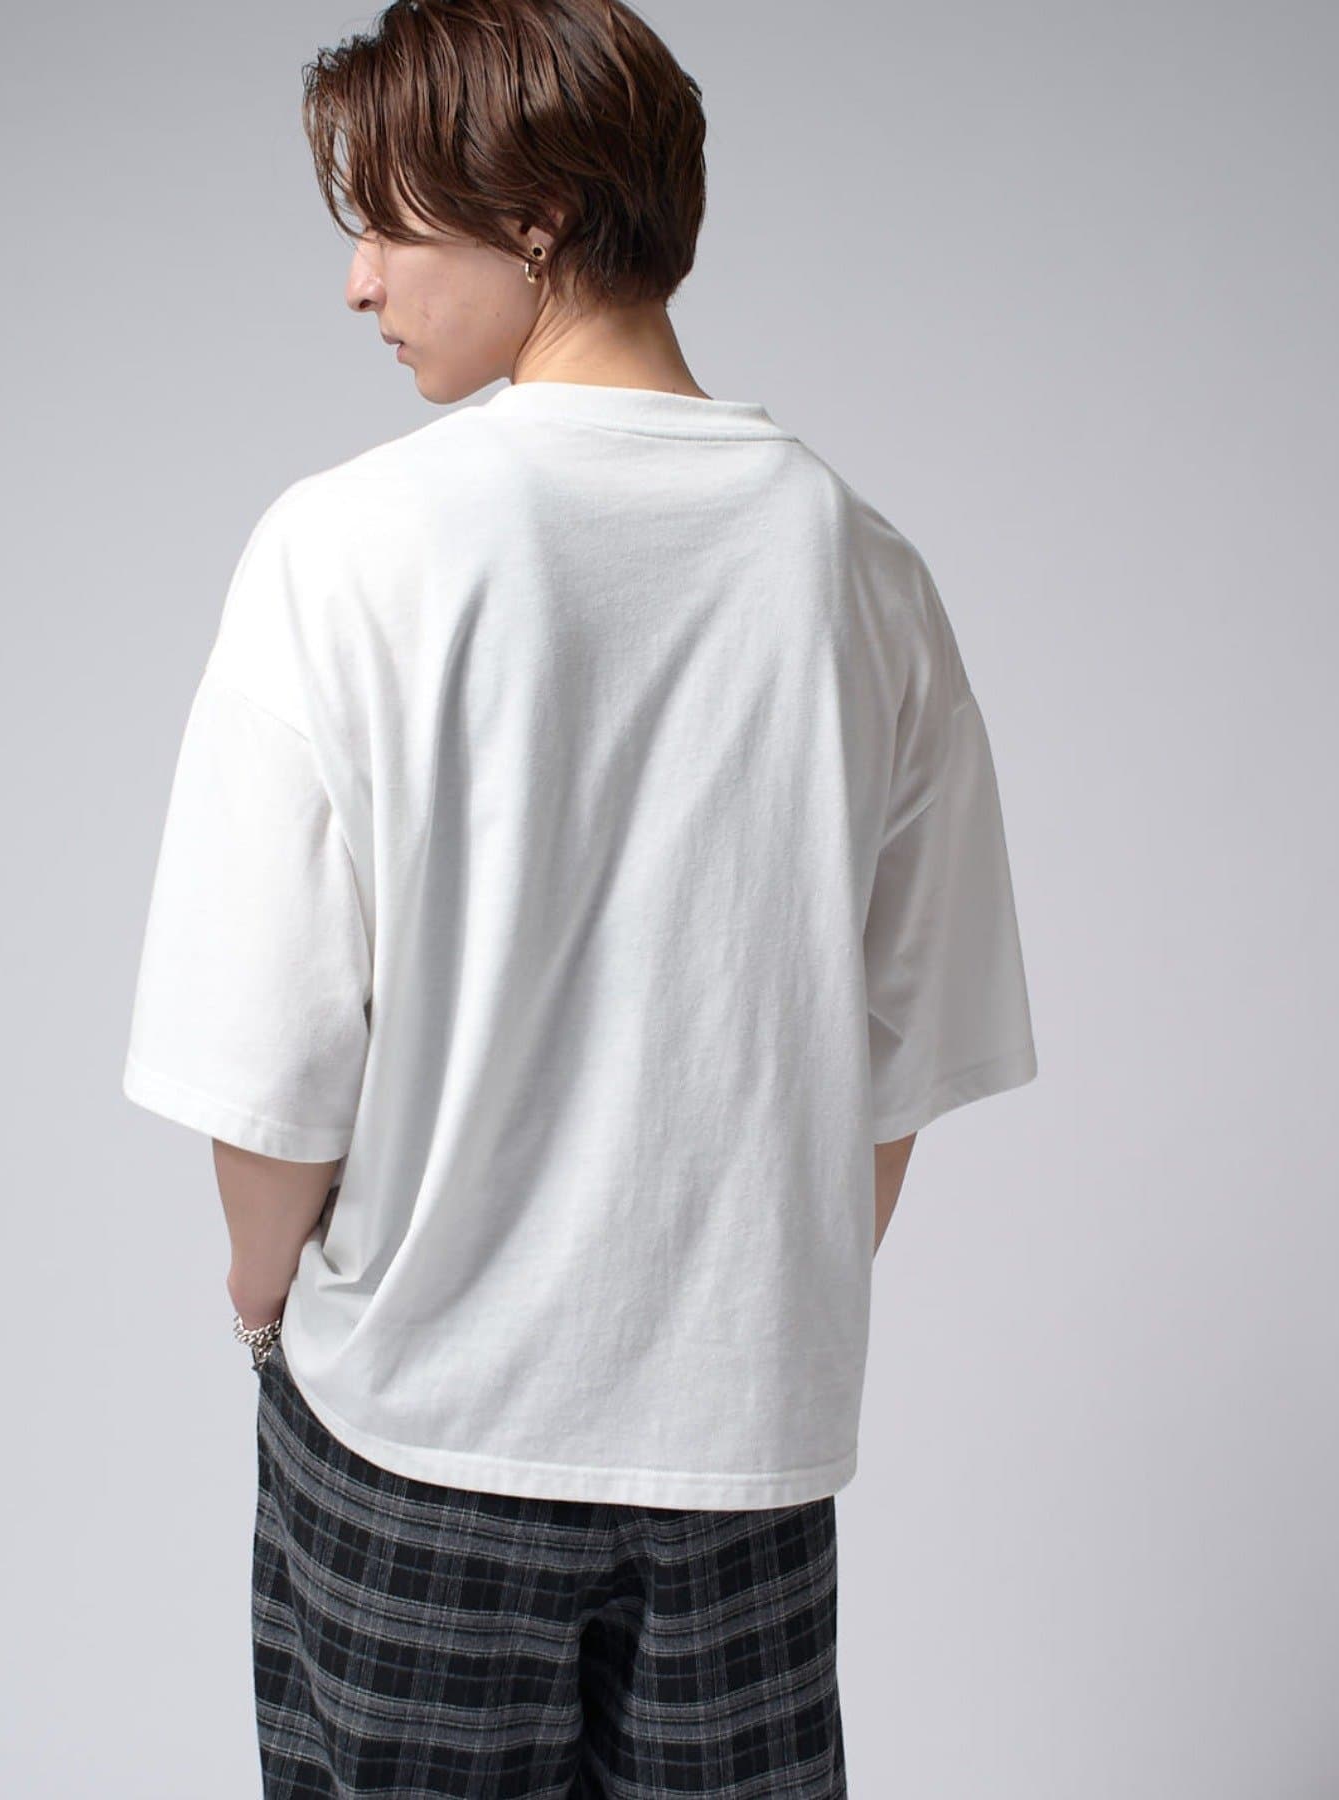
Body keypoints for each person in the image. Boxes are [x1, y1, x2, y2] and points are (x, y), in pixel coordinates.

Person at [120, 1, 1038, 1792]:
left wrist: (261, 1307)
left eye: (384, 225)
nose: (359, 285)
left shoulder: (347, 547)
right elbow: (904, 1055)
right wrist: (728, 1320)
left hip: (420, 1436)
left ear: (534, 216)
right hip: (742, 1461)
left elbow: (268, 1062)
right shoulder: (864, 568)